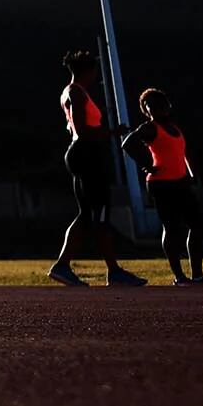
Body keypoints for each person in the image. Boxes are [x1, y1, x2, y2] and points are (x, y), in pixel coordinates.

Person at [47, 48, 146, 287]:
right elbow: (83, 131)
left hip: (81, 154)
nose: (95, 77)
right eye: (94, 72)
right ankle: (113, 271)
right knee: (99, 213)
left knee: (88, 213)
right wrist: (112, 132)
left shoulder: (70, 92)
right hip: (86, 154)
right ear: (88, 71)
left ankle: (63, 266)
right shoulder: (77, 93)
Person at [123, 88, 203, 285]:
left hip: (181, 182)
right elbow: (128, 143)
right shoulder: (150, 128)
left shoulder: (175, 128)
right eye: (150, 106)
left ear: (167, 105)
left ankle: (198, 275)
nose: (156, 109)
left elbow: (183, 153)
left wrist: (192, 175)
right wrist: (146, 165)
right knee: (172, 227)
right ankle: (180, 277)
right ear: (145, 110)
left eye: (159, 104)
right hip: (161, 184)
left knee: (197, 225)